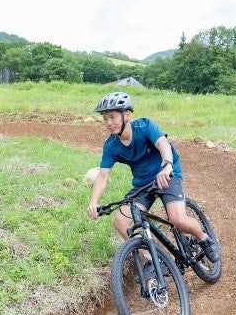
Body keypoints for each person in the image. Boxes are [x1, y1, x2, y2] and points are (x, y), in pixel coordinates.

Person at [86, 92, 220, 263]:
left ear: (127, 115)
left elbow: (163, 144)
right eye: (105, 119)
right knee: (120, 222)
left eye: (112, 117)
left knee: (178, 220)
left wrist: (167, 164)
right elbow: (103, 175)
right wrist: (93, 201)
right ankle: (152, 260)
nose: (108, 123)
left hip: (167, 174)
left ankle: (204, 238)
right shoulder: (111, 145)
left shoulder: (144, 127)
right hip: (143, 184)